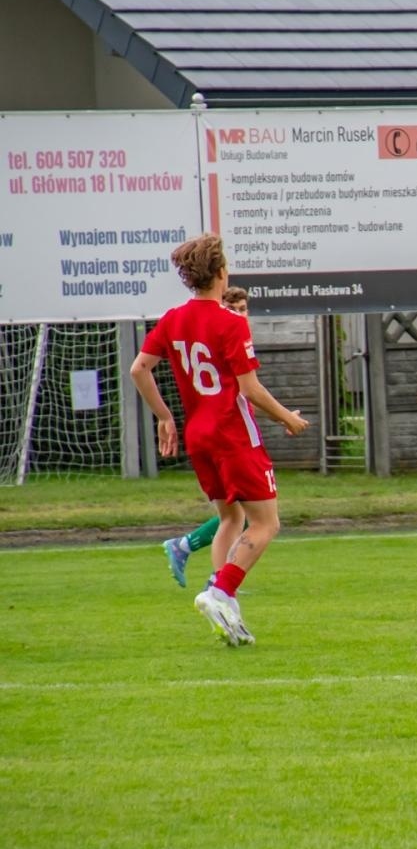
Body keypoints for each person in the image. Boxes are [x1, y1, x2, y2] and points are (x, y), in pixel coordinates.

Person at [129, 235, 308, 645]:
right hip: (231, 434)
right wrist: (287, 419)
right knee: (266, 523)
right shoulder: (231, 322)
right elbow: (250, 389)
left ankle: (229, 611)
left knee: (231, 518)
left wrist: (164, 417)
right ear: (222, 275)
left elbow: (139, 369)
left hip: (199, 437)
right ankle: (220, 591)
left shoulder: (173, 318)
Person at [161, 285, 251, 587]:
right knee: (244, 515)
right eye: (234, 307)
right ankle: (214, 578)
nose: (239, 313)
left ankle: (215, 578)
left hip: (220, 432)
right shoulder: (222, 332)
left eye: (243, 308)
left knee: (241, 514)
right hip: (223, 435)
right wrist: (284, 415)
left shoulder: (235, 333)